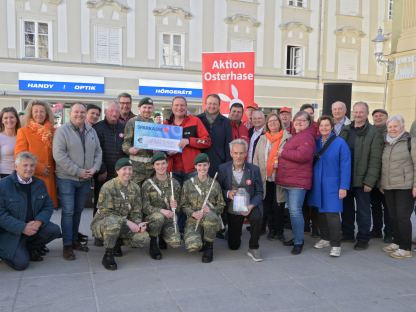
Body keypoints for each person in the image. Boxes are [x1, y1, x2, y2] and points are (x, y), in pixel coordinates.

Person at [53, 103, 102, 260]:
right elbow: (59, 155)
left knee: (78, 210)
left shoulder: (90, 130)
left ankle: (74, 240)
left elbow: (98, 151)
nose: (79, 115)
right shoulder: (62, 131)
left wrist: (94, 168)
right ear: (70, 113)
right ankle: (67, 245)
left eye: (82, 112)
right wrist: (78, 171)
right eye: (76, 112)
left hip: (86, 179)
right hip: (67, 178)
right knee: (68, 211)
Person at [0, 152, 61, 270]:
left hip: (33, 228)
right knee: (21, 264)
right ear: (16, 167)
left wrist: (39, 221)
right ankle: (6, 251)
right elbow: (1, 215)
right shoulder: (3, 186)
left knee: (54, 230)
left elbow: (48, 206)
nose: (29, 169)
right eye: (25, 165)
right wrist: (23, 227)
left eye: (32, 165)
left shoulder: (39, 183)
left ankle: (28, 248)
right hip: (11, 232)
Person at [91, 158, 150, 270]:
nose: (128, 172)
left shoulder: (135, 188)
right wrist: (127, 222)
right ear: (117, 171)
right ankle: (108, 255)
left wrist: (138, 224)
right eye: (124, 169)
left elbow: (136, 211)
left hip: (122, 224)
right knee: (113, 224)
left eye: (130, 169)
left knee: (143, 237)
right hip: (103, 223)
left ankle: (117, 242)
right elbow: (105, 212)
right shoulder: (108, 187)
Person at [339, 101, 383, 250]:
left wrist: (370, 181)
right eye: (355, 112)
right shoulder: (345, 129)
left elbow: (376, 159)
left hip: (363, 179)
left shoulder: (373, 132)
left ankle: (363, 238)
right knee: (347, 208)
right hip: (346, 177)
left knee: (363, 211)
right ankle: (347, 234)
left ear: (366, 113)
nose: (358, 115)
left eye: (361, 112)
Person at [308, 116, 351, 257]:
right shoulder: (316, 143)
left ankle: (336, 244)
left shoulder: (340, 143)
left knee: (332, 214)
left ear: (332, 127)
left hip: (333, 185)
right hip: (317, 184)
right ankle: (325, 238)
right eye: (321, 125)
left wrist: (343, 186)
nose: (324, 128)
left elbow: (345, 166)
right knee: (320, 213)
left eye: (327, 125)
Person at [276, 110, 316, 255]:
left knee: (295, 212)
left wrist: (282, 153)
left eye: (302, 120)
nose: (299, 122)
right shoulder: (296, 136)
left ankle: (299, 241)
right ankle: (296, 237)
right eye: (297, 120)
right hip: (289, 181)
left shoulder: (307, 137)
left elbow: (302, 156)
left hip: (297, 183)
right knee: (293, 213)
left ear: (308, 122)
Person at [218, 139, 264, 262]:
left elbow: (260, 192)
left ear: (246, 154)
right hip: (232, 208)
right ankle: (233, 232)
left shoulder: (254, 169)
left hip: (249, 206)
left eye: (241, 153)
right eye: (236, 153)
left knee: (256, 217)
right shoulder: (223, 169)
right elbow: (217, 191)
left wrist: (251, 205)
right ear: (231, 153)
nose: (238, 156)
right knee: (234, 246)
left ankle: (254, 247)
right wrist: (228, 193)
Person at [381, 115, 416, 259]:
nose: (393, 129)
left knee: (402, 217)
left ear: (402, 127)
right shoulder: (386, 143)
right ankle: (396, 242)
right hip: (389, 186)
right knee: (393, 216)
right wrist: (382, 184)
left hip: (405, 186)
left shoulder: (410, 141)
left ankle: (406, 248)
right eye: (390, 126)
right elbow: (384, 166)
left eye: (396, 126)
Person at [92, 101, 126, 246]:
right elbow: (95, 151)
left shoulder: (123, 127)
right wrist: (102, 169)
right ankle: (98, 235)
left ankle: (117, 234)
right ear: (106, 112)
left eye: (116, 112)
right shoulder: (97, 128)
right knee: (101, 205)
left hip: (120, 175)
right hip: (103, 174)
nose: (114, 114)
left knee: (119, 204)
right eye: (111, 111)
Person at [181, 153, 225, 263]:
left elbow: (221, 205)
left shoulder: (215, 184)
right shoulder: (187, 184)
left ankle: (209, 247)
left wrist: (211, 210)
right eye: (199, 165)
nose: (202, 168)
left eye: (205, 165)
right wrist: (193, 213)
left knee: (210, 217)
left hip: (209, 218)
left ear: (209, 165)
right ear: (195, 166)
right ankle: (200, 238)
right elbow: (183, 205)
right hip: (194, 220)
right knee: (193, 246)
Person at [253, 113, 289, 241]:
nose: (273, 123)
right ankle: (271, 229)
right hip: (265, 178)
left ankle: (279, 231)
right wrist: (255, 175)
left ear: (279, 122)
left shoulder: (287, 137)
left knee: (278, 206)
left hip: (280, 178)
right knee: (267, 206)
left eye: (275, 120)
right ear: (267, 124)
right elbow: (256, 158)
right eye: (270, 121)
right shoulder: (263, 138)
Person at [15, 100, 58, 208]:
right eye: (36, 111)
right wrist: (38, 167)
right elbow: (20, 155)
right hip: (32, 175)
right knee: (33, 209)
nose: (39, 114)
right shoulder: (23, 131)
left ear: (47, 113)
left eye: (42, 111)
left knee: (47, 209)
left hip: (50, 176)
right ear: (31, 113)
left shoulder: (54, 131)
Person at [142, 153, 181, 260]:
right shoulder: (147, 184)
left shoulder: (174, 183)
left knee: (176, 242)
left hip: (169, 218)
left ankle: (163, 237)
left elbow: (179, 208)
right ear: (153, 166)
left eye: (163, 163)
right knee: (158, 217)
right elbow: (144, 206)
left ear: (167, 164)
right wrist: (161, 210)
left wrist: (175, 206)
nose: (161, 167)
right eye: (157, 164)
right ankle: (153, 242)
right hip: (153, 218)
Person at [164, 96, 211, 183]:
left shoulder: (195, 121)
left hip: (192, 170)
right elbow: (160, 146)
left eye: (182, 105)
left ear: (186, 107)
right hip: (172, 170)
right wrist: (166, 152)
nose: (179, 108)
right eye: (176, 105)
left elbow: (207, 141)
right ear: (172, 107)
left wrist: (188, 141)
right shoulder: (166, 124)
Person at [122, 97, 155, 185]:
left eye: (149, 107)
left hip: (151, 169)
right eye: (144, 107)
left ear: (153, 109)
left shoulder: (155, 125)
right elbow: (126, 142)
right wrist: (129, 149)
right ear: (139, 108)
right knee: (134, 195)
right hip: (136, 169)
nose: (147, 110)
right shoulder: (132, 122)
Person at [198, 94, 232, 177]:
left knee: (217, 187)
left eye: (215, 104)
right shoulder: (198, 119)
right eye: (209, 103)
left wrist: (228, 165)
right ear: (205, 104)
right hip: (201, 162)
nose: (212, 106)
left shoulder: (226, 122)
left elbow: (228, 144)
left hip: (219, 162)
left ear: (219, 105)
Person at [370, 108, 391, 242]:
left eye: (381, 116)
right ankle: (376, 230)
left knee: (388, 206)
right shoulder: (371, 131)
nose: (378, 118)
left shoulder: (390, 131)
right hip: (373, 176)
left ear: (386, 117)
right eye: (375, 116)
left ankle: (389, 232)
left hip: (386, 175)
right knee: (375, 205)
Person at [0, 107, 20, 178]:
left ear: (16, 119)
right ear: (2, 120)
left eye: (12, 117)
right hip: (4, 175)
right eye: (5, 118)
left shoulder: (22, 136)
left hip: (21, 175)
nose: (9, 120)